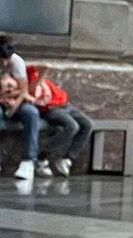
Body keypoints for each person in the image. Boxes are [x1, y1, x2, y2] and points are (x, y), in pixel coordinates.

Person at [27, 66, 94, 177]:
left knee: (87, 124)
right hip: (50, 109)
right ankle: (42, 158)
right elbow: (29, 94)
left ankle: (67, 158)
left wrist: (39, 76)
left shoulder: (28, 70)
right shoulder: (22, 83)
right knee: (72, 126)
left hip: (64, 104)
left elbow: (44, 65)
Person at [0, 36, 42, 182]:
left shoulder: (16, 62)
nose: (4, 63)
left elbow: (23, 91)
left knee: (31, 113)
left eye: (6, 59)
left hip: (14, 100)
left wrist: (11, 99)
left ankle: (28, 161)